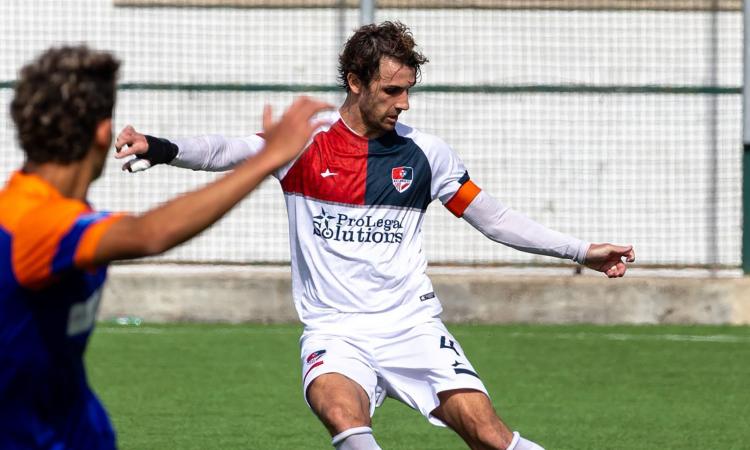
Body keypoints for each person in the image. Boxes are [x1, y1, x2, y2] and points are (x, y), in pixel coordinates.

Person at [115, 22, 635, 450]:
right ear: (355, 82)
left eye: (408, 90)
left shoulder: (427, 154)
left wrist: (580, 251)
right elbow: (223, 150)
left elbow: (494, 218)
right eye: (392, 90)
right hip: (334, 331)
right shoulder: (303, 143)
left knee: (489, 436)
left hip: (411, 326)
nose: (404, 103)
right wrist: (158, 147)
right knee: (344, 417)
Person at [0, 45, 330, 449]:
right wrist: (268, 159)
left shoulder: (54, 211)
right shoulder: (33, 224)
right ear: (103, 132)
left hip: (74, 430)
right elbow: (148, 234)